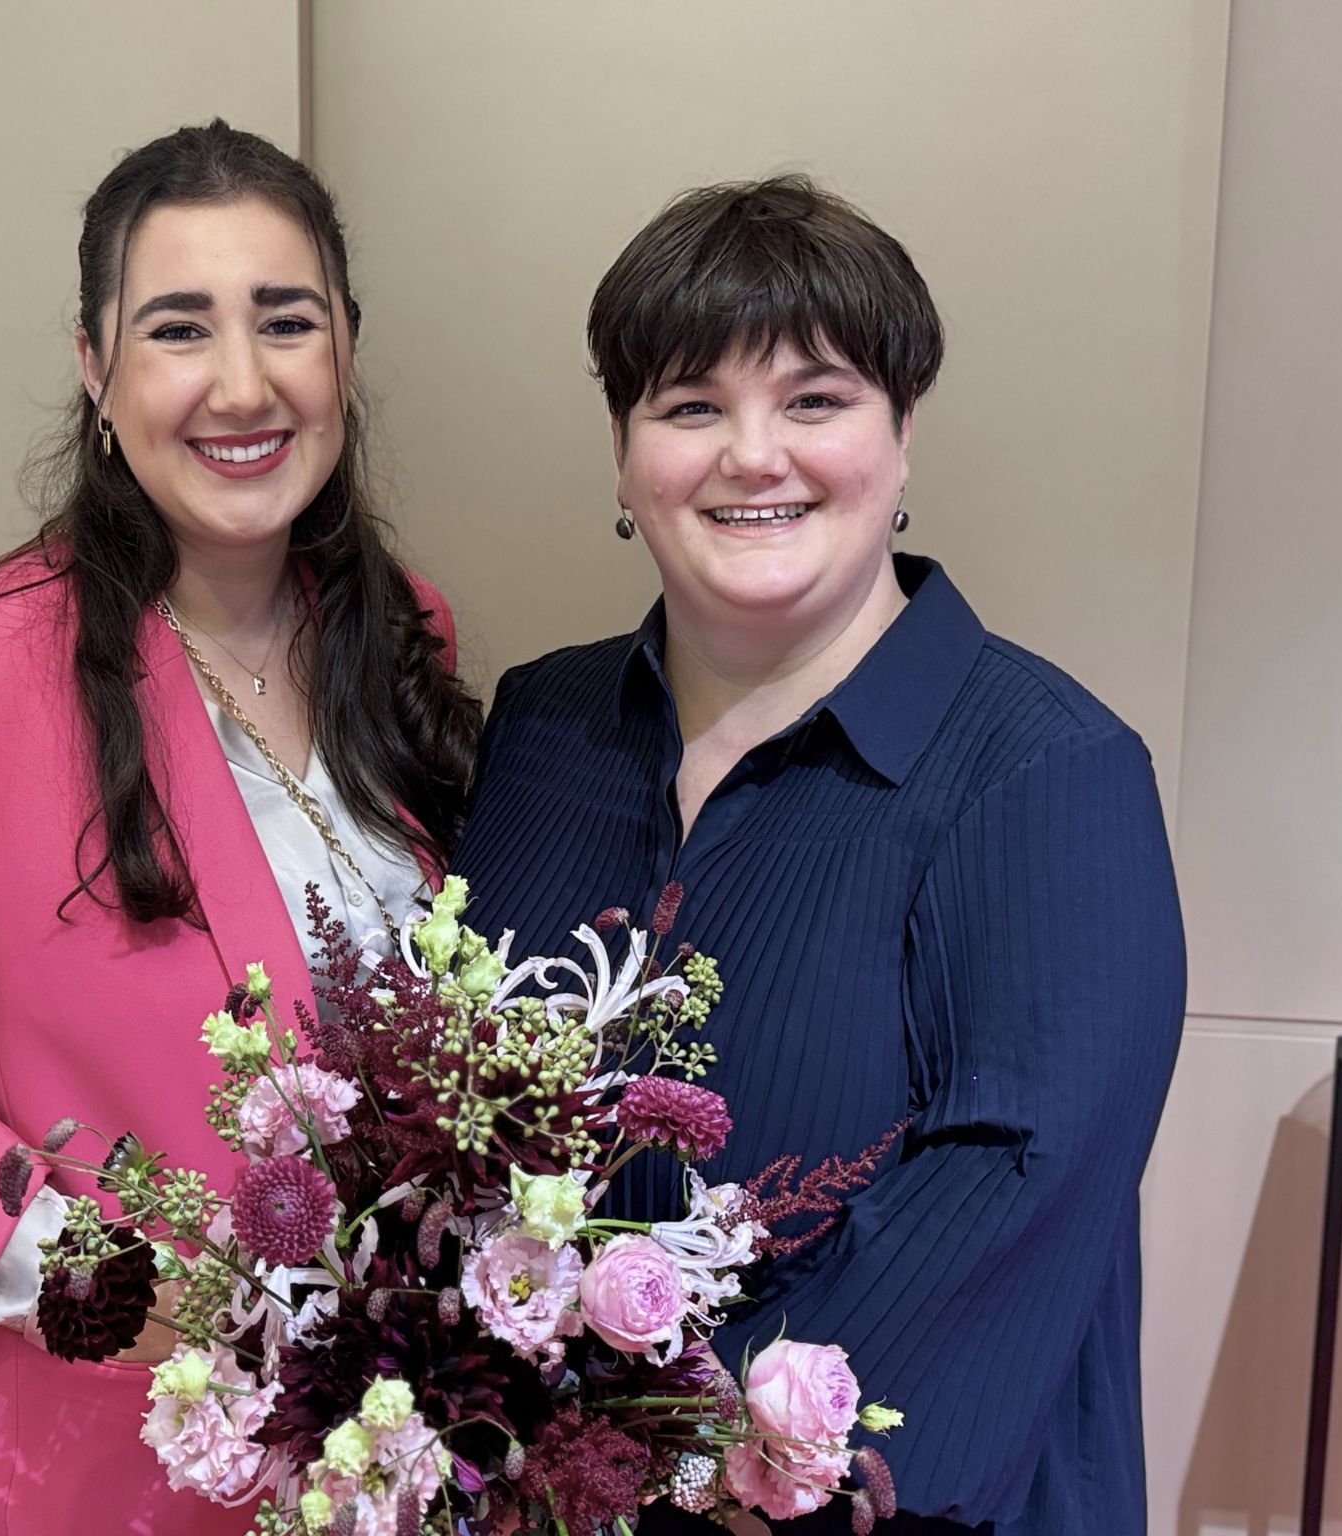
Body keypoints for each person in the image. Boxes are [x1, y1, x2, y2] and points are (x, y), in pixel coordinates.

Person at [0, 120, 480, 1535]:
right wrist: (123, 1290)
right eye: (178, 328)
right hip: (63, 1482)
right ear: (95, 365)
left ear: (346, 351)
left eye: (287, 321)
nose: (242, 383)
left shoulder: (397, 632)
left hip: (358, 1473)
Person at [455, 177, 1185, 1533]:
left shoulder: (1049, 773)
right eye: (690, 406)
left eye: (815, 399)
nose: (754, 455)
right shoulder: (542, 724)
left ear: (901, 436)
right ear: (622, 454)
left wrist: (649, 1465)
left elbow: (1001, 1218)